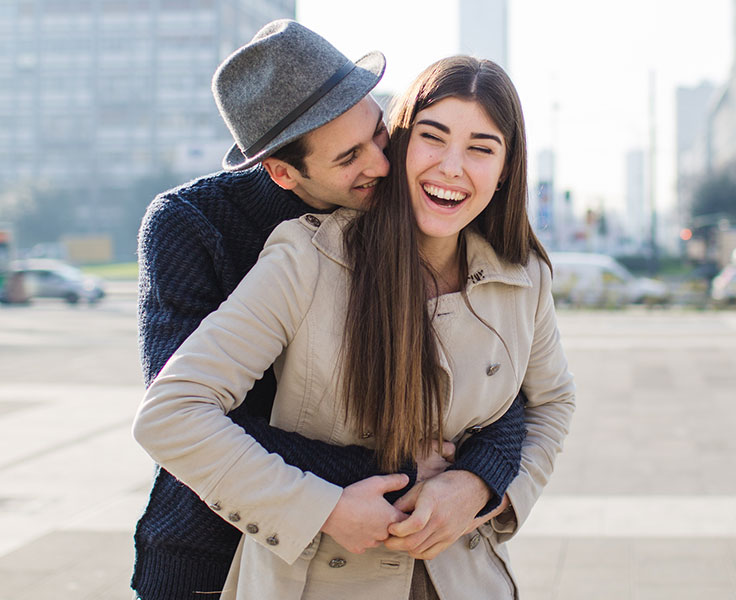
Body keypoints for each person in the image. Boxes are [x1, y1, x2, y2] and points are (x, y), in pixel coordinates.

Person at [133, 50, 575, 599]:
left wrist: (483, 480)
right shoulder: (240, 238)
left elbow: (513, 395)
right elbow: (186, 411)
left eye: (381, 136)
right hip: (218, 542)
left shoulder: (481, 256)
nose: (383, 166)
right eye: (351, 157)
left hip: (446, 563)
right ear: (282, 171)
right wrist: (397, 478)